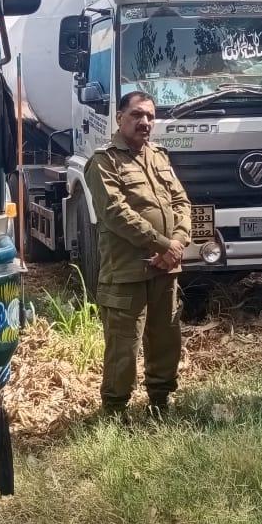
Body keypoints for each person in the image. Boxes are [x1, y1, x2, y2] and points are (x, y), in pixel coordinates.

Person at [84, 91, 192, 420]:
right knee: (123, 346)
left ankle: (161, 402)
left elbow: (182, 203)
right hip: (127, 272)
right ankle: (115, 412)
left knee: (165, 339)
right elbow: (116, 213)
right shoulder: (103, 161)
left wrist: (177, 242)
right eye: (136, 115)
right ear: (119, 118)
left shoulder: (159, 156)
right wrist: (162, 244)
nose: (144, 122)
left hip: (165, 269)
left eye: (149, 116)